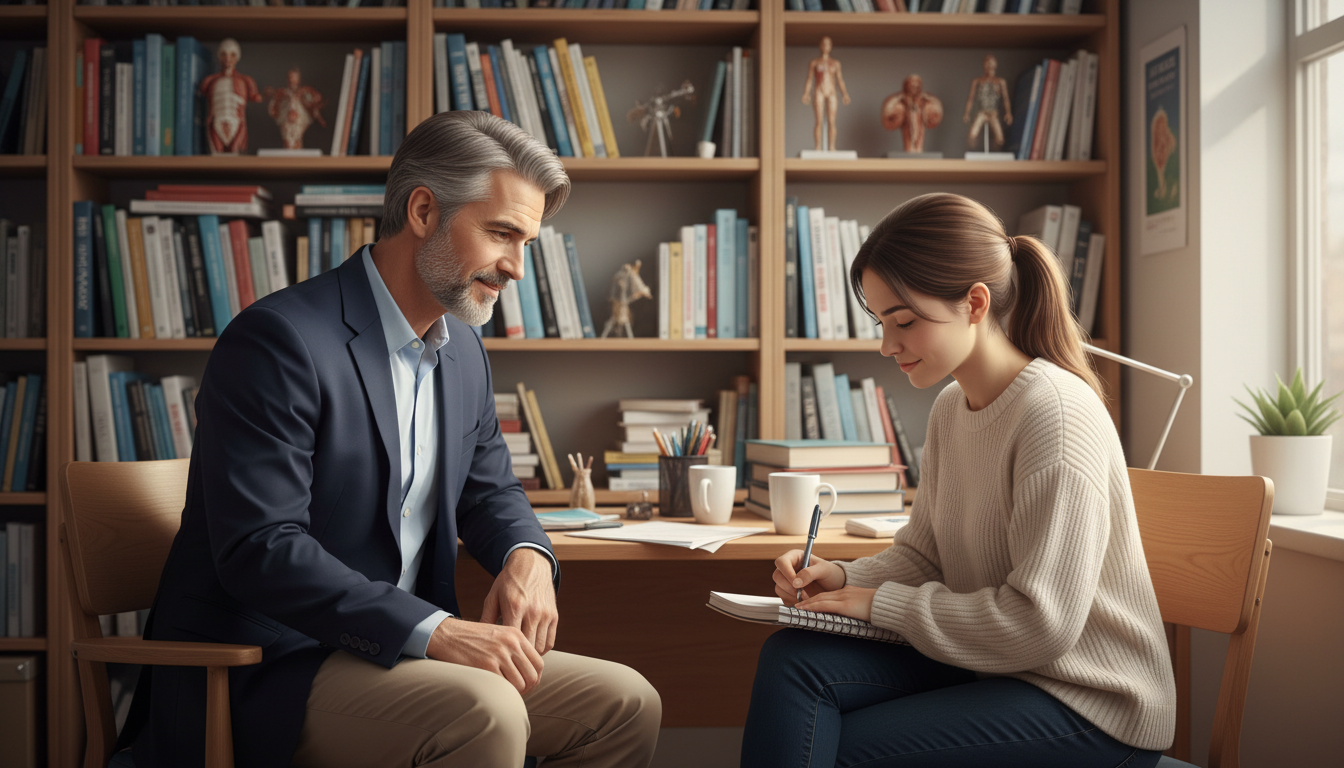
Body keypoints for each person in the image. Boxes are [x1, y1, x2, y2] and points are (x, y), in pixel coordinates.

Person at [117, 111, 662, 768]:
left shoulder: (462, 349)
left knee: (626, 703)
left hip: (397, 656)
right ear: (425, 211)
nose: (517, 267)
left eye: (528, 243)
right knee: (484, 713)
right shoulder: (278, 342)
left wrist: (529, 559)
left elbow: (491, 490)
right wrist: (435, 631)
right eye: (501, 234)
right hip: (269, 666)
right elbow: (263, 548)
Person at [740, 192, 1175, 768]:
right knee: (792, 658)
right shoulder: (952, 408)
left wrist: (878, 604)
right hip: (1000, 665)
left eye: (903, 320)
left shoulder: (1056, 418)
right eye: (880, 321)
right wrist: (841, 575)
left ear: (975, 303)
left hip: (1091, 702)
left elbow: (1041, 624)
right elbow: (928, 558)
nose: (886, 344)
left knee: (848, 749)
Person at [199, 38, 262, 155]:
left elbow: (256, 97)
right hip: (216, 122)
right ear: (219, 56)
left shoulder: (246, 80)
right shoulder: (209, 81)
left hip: (238, 123)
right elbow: (201, 93)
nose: (228, 58)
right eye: (224, 54)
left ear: (237, 57)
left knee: (235, 155)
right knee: (216, 157)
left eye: (232, 55)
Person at [802, 36, 851, 152]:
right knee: (819, 120)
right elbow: (809, 79)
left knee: (831, 121)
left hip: (832, 91)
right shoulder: (814, 63)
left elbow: (840, 79)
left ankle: (831, 147)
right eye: (823, 44)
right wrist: (806, 93)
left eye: (828, 44)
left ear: (831, 46)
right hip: (819, 90)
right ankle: (818, 147)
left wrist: (845, 94)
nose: (825, 46)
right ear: (820, 46)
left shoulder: (835, 63)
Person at [265, 67, 326, 150]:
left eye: (294, 78)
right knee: (288, 137)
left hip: (300, 120)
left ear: (299, 79)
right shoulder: (282, 93)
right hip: (285, 120)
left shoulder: (304, 91)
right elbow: (274, 105)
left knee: (296, 137)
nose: (292, 80)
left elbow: (312, 100)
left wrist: (304, 98)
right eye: (290, 78)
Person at [881, 74, 943, 154]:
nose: (913, 88)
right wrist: (899, 101)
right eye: (911, 85)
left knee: (918, 135)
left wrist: (926, 106)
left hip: (920, 119)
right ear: (906, 86)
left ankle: (918, 149)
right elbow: (887, 110)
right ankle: (909, 148)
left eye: (916, 86)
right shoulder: (900, 100)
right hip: (907, 120)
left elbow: (937, 108)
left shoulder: (926, 99)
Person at [962, 54, 1012, 151]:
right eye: (987, 65)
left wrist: (1008, 113)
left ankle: (995, 156)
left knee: (1000, 139)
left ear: (995, 66)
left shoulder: (1000, 82)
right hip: (982, 113)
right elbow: (971, 98)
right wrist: (967, 113)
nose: (989, 68)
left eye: (991, 66)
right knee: (972, 135)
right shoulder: (978, 81)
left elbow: (1005, 99)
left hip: (993, 113)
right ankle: (975, 151)